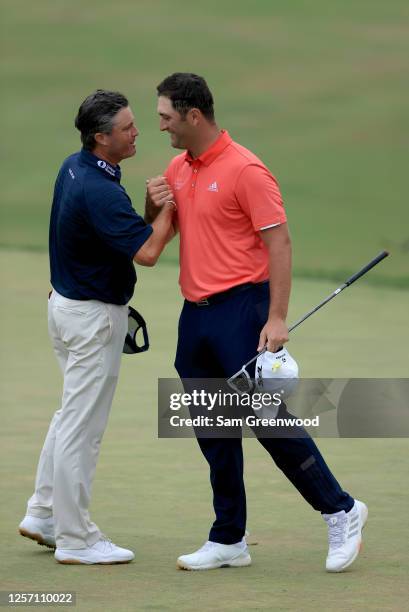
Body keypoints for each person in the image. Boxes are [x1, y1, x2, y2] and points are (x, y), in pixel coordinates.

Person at [146, 73, 368, 573]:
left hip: (243, 309)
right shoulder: (178, 169)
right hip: (195, 317)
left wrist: (277, 317)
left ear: (193, 115)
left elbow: (279, 244)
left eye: (166, 117)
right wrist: (152, 202)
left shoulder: (246, 170)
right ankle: (229, 537)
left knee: (270, 424)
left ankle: (342, 509)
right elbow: (158, 237)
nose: (161, 127)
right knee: (213, 430)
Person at [19, 89, 175, 565]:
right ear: (101, 137)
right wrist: (173, 210)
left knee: (70, 416)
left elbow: (116, 234)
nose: (137, 132)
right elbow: (147, 253)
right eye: (127, 127)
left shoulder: (77, 166)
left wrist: (149, 214)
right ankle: (75, 538)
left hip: (66, 305)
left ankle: (44, 513)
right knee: (81, 429)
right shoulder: (99, 187)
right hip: (91, 319)